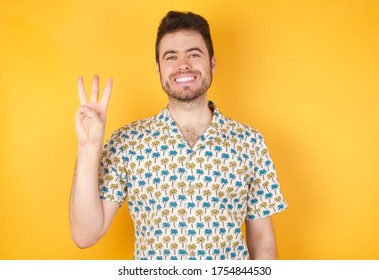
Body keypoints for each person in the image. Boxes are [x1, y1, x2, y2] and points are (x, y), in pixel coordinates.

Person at [70, 11, 288, 260]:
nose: (183, 64)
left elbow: (262, 241)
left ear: (212, 63)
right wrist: (88, 149)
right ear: (158, 68)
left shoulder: (249, 142)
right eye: (171, 57)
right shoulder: (126, 142)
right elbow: (85, 235)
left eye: (194, 54)